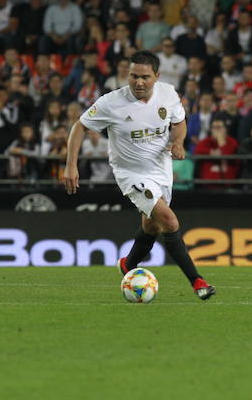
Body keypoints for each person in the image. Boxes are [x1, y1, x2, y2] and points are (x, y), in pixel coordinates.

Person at [62, 50, 216, 300]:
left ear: (156, 76)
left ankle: (128, 264)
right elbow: (80, 126)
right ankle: (197, 281)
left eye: (145, 77)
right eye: (133, 76)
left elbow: (179, 121)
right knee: (169, 220)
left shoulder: (168, 94)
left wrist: (178, 142)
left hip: (161, 169)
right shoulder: (111, 103)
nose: (138, 82)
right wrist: (71, 165)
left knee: (151, 225)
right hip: (130, 173)